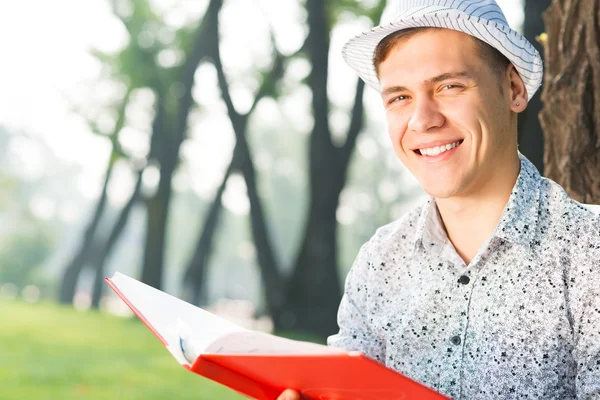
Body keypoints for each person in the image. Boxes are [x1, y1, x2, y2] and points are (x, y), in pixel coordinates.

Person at [278, 0, 600, 399]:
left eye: (449, 86)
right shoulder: (380, 263)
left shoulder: (589, 254)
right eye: (399, 97)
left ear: (513, 89)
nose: (423, 119)